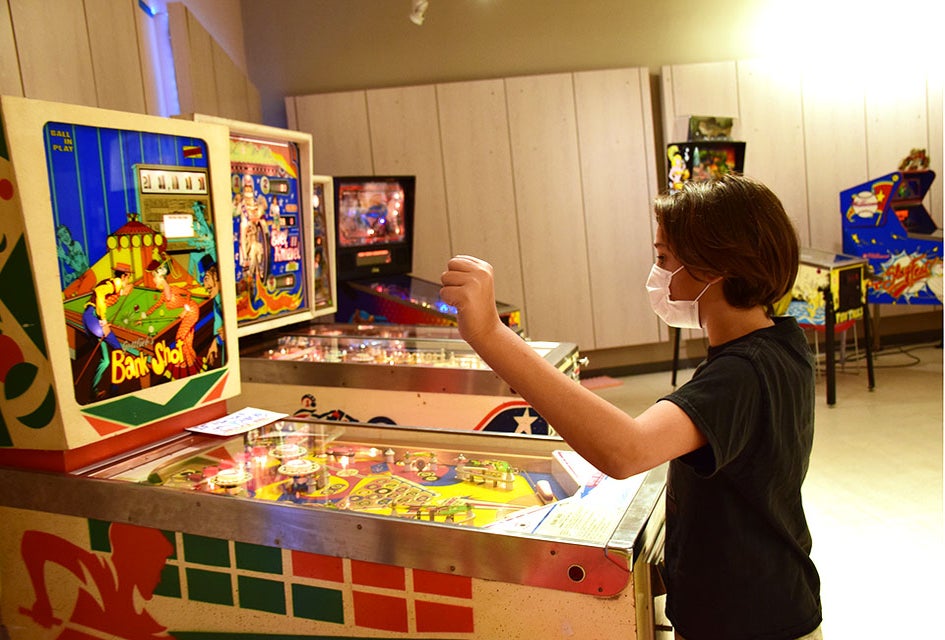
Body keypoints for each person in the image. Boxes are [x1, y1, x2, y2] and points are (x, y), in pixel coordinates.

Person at [440, 174, 822, 640]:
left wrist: (490, 335)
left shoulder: (742, 373)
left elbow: (626, 449)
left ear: (714, 267)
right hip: (756, 603)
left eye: (664, 258)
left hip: (754, 624)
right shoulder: (782, 342)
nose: (655, 272)